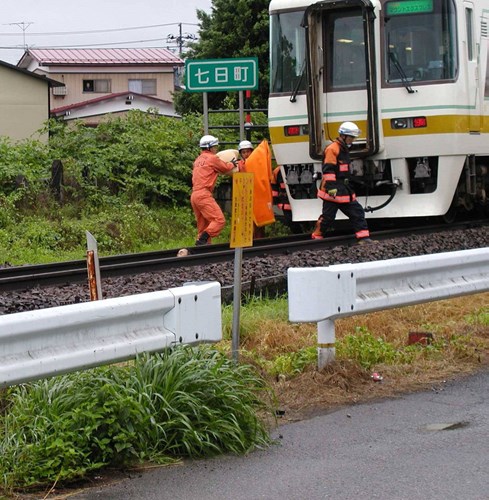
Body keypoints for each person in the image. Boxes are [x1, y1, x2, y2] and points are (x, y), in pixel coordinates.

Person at [312, 121, 372, 243]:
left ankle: (364, 238)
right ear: (344, 136)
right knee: (328, 218)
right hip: (333, 190)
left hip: (344, 189)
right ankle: (316, 238)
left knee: (357, 212)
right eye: (351, 137)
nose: (353, 140)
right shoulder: (332, 149)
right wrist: (331, 188)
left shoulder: (342, 149)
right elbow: (328, 171)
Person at [191, 135, 238, 246]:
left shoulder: (197, 160)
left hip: (194, 195)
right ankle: (203, 239)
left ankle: (202, 248)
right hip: (204, 194)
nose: (216, 149)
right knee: (219, 220)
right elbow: (225, 168)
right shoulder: (212, 158)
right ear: (209, 147)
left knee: (203, 224)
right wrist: (233, 164)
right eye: (215, 146)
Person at [236, 140, 266, 239]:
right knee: (246, 219)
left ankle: (259, 239)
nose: (246, 154)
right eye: (243, 152)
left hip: (257, 194)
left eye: (248, 151)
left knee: (259, 219)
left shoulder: (257, 162)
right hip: (244, 194)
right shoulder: (239, 164)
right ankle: (247, 239)